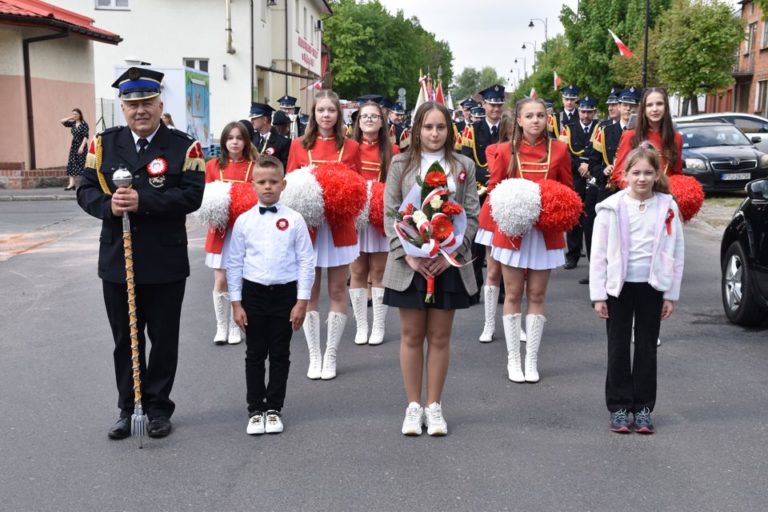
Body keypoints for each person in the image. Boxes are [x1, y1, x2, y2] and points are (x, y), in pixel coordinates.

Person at [77, 67, 205, 439]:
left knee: (163, 339)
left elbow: (192, 196)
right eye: (132, 105)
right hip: (118, 259)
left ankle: (158, 408)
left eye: (147, 103)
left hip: (164, 260)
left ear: (159, 103)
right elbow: (85, 191)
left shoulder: (184, 147)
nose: (140, 111)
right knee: (125, 339)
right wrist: (110, 207)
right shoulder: (104, 144)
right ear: (122, 107)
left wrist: (143, 201)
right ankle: (127, 406)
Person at [383, 101, 480, 436]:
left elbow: (471, 214)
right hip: (410, 264)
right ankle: (413, 407)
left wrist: (448, 253)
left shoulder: (464, 164)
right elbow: (391, 212)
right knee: (411, 336)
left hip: (446, 264)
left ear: (449, 130)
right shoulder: (400, 163)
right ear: (416, 129)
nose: (435, 133)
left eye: (441, 127)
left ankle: (434, 406)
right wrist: (409, 254)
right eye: (428, 127)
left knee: (439, 337)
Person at [590, 144, 684, 434]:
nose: (642, 178)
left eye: (648, 173)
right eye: (636, 172)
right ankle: (619, 406)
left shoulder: (667, 206)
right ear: (624, 174)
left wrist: (670, 294)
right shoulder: (611, 207)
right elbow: (599, 253)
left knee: (646, 347)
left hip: (652, 286)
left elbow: (677, 250)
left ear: (657, 174)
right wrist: (598, 295)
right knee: (618, 347)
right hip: (619, 288)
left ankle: (643, 407)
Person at [227, 155, 315, 436]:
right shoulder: (243, 221)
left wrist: (301, 302)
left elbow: (306, 261)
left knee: (280, 352)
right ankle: (255, 409)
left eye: (273, 182)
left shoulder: (295, 220)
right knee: (254, 353)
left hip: (285, 294)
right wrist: (236, 303)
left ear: (283, 184)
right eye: (262, 182)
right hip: (253, 294)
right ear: (252, 185)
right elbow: (235, 263)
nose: (268, 187)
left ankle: (274, 407)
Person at [490, 97, 572, 383]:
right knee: (512, 294)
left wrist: (558, 210)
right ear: (519, 120)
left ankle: (532, 359)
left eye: (540, 115)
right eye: (530, 116)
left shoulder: (560, 150)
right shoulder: (504, 150)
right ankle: (513, 359)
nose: (536, 120)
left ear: (548, 119)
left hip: (544, 234)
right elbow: (494, 190)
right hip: (513, 233)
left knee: (537, 295)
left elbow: (568, 190)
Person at [286, 89, 361, 380]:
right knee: (310, 291)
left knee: (338, 290)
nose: (326, 115)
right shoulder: (297, 146)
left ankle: (330, 355)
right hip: (309, 227)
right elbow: (289, 186)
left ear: (338, 115)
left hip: (338, 226)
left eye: (331, 110)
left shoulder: (351, 147)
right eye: (321, 110)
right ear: (313, 114)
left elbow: (357, 187)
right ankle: (314, 355)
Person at [349, 101, 399, 346]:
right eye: (364, 117)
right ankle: (361, 325)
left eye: (374, 116)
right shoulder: (349, 148)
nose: (369, 120)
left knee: (379, 272)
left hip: (379, 217)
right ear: (358, 122)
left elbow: (396, 186)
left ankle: (378, 325)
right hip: (357, 217)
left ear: (382, 122)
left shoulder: (394, 150)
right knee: (357, 272)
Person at [204, 121, 258, 346]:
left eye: (239, 137)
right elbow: (206, 199)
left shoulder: (254, 166)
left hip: (245, 231)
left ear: (246, 141)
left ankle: (238, 324)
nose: (234, 142)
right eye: (230, 138)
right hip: (220, 231)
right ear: (224, 141)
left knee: (240, 279)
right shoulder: (213, 165)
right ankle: (221, 326)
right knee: (221, 279)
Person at [476, 111, 527, 343]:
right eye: (510, 133)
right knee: (494, 271)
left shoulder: (533, 151)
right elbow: (494, 181)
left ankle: (517, 322)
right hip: (498, 210)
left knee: (520, 275)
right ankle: (489, 324)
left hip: (523, 211)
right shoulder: (495, 149)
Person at [581, 87, 639, 285]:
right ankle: (600, 275)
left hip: (634, 190)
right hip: (608, 189)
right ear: (619, 106)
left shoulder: (640, 133)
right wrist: (603, 170)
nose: (628, 109)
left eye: (632, 106)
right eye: (624, 105)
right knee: (603, 234)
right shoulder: (606, 131)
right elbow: (593, 161)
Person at [612, 87, 683, 186]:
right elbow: (618, 174)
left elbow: (677, 174)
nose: (655, 109)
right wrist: (638, 190)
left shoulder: (676, 138)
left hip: (665, 197)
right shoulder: (630, 135)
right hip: (638, 197)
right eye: (649, 105)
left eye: (659, 104)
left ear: (666, 106)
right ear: (643, 109)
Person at [563, 96, 598, 271]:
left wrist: (589, 165)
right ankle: (573, 255)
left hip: (592, 176)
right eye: (583, 111)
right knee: (575, 217)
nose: (586, 115)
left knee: (591, 218)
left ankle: (594, 258)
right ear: (578, 111)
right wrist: (580, 166)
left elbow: (600, 151)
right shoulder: (569, 128)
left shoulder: (600, 128)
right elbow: (564, 153)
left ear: (595, 112)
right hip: (575, 176)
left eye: (590, 112)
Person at [249, 102, 290, 168]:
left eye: (254, 118)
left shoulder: (283, 142)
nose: (251, 121)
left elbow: (284, 168)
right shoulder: (252, 138)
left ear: (264, 120)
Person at [60, 108, 89, 190]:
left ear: (80, 115)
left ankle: (85, 183)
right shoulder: (73, 123)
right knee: (71, 164)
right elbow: (62, 121)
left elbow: (85, 136)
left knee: (81, 164)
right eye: (73, 114)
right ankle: (71, 184)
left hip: (81, 146)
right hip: (74, 146)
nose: (74, 115)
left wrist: (82, 147)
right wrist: (70, 117)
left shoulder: (84, 124)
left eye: (76, 114)